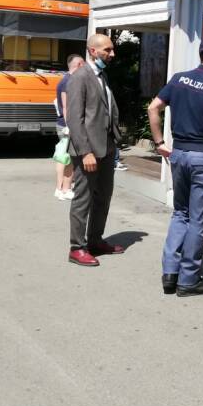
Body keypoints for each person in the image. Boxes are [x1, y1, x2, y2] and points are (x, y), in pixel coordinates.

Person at [148, 35, 203, 297]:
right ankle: (189, 279)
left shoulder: (179, 79)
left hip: (179, 154)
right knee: (197, 219)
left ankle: (170, 273)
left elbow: (153, 108)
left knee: (180, 214)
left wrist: (159, 141)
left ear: (201, 54)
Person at [65, 34, 124, 267]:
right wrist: (85, 151)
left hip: (107, 147)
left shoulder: (102, 75)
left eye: (112, 50)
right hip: (88, 149)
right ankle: (77, 248)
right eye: (107, 50)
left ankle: (95, 240)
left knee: (103, 197)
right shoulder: (80, 77)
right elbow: (74, 119)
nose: (112, 54)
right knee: (83, 199)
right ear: (92, 51)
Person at [53, 54, 84, 201]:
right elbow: (66, 106)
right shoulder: (69, 81)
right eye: (83, 65)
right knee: (69, 158)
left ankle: (60, 189)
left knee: (63, 157)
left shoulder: (65, 80)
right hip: (66, 125)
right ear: (78, 65)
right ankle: (65, 189)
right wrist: (70, 126)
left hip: (63, 125)